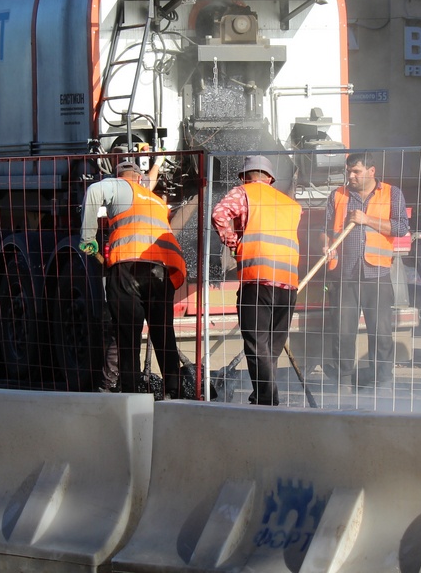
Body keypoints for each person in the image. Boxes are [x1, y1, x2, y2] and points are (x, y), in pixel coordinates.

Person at [80, 160, 186, 398]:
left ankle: (132, 392)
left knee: (128, 332)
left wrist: (88, 236)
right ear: (139, 179)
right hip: (162, 268)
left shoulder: (118, 186)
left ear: (119, 177)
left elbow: (94, 191)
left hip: (129, 265)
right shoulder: (153, 199)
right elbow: (150, 180)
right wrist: (157, 163)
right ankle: (173, 390)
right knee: (163, 331)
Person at [211, 155, 302, 406]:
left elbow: (219, 214)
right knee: (271, 346)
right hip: (288, 283)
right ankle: (264, 395)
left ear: (244, 176)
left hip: (257, 279)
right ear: (270, 178)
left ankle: (266, 400)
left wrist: (233, 243)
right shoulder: (289, 204)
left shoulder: (245, 193)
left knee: (256, 343)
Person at [319, 152, 410, 389]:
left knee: (380, 332)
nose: (351, 176)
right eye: (349, 171)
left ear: (371, 171)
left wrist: (366, 220)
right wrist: (326, 244)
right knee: (343, 332)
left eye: (356, 171)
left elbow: (400, 227)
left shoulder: (392, 193)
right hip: (343, 273)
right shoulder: (338, 195)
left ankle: (382, 380)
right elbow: (325, 228)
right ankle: (344, 381)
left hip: (376, 274)